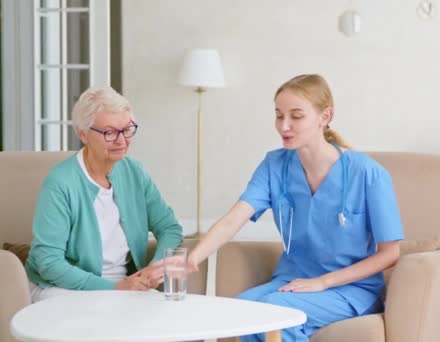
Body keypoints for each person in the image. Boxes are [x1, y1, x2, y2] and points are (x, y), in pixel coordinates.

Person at [186, 74, 404, 341]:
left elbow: (390, 253)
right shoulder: (274, 165)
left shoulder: (368, 174)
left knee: (270, 312)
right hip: (294, 280)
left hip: (351, 289)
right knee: (240, 311)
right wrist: (191, 259)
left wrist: (323, 283)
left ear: (325, 117)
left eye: (296, 116)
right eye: (279, 115)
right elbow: (233, 220)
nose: (284, 126)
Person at [25, 86, 183, 303]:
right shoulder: (60, 183)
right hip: (63, 288)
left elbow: (169, 228)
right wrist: (114, 288)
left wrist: (153, 270)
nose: (122, 140)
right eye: (109, 132)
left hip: (126, 285)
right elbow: (49, 263)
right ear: (83, 135)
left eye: (127, 129)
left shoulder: (134, 172)